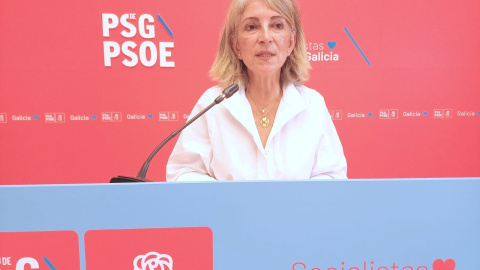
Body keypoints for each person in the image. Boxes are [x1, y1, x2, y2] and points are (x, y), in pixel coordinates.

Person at [166, 0, 347, 181]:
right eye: (252, 27)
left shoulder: (312, 104)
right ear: (236, 45)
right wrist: (226, 200)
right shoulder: (213, 103)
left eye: (277, 25)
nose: (266, 37)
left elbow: (332, 177)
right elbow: (182, 173)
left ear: (291, 42)